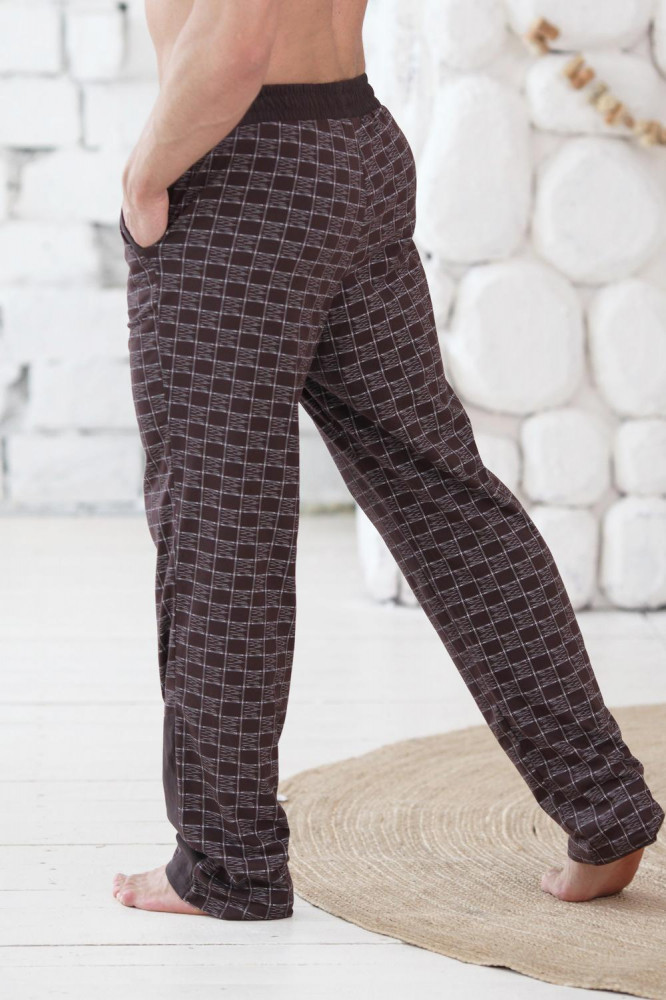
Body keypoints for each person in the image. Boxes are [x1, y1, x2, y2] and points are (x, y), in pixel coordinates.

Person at [112, 0, 664, 920]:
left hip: (239, 174)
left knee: (221, 524)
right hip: (352, 145)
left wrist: (142, 178)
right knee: (445, 502)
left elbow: (238, 42)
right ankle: (603, 805)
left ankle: (227, 861)